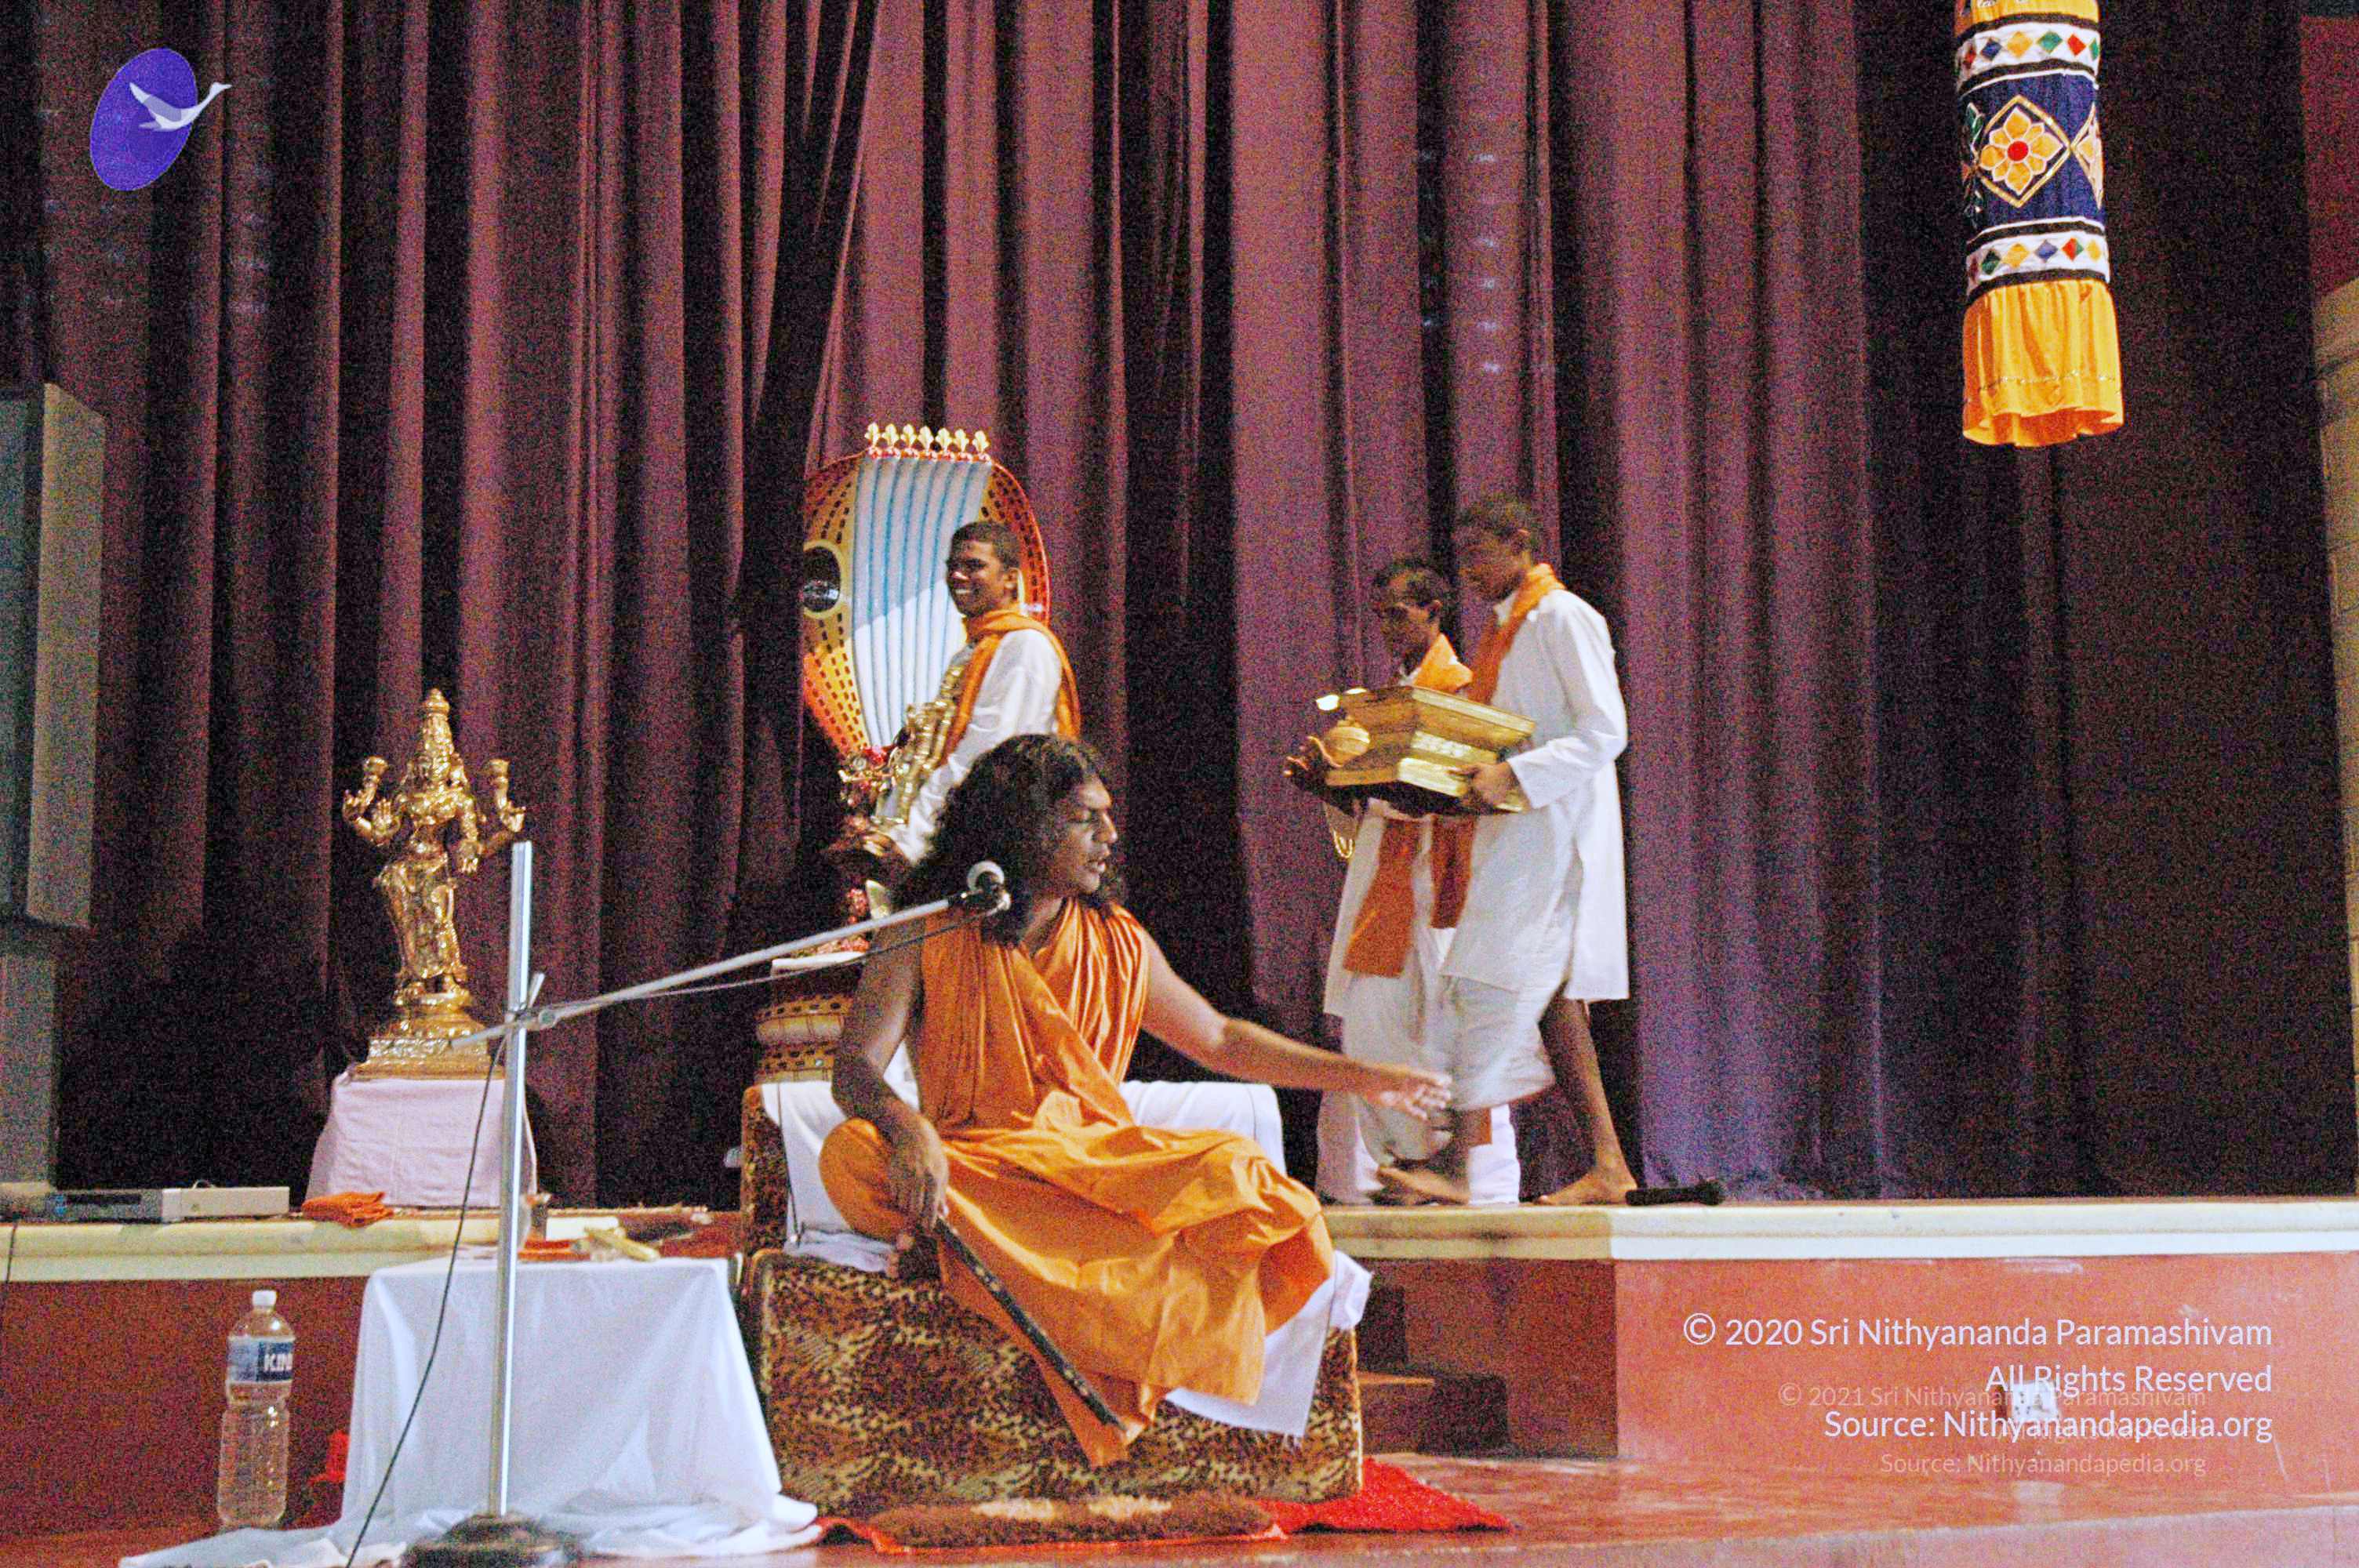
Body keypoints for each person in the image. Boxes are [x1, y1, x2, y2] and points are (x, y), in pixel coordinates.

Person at [820, 734, 1451, 1465]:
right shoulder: (926, 929)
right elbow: (855, 1067)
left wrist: (1362, 1076)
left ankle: (963, 1248)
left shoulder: (1116, 943)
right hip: (977, 1162)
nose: (1109, 836)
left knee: (1244, 1176)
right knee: (853, 1154)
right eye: (1085, 819)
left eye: (1107, 817)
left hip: (1088, 1168)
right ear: (1024, 827)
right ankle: (988, 1244)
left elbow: (1221, 1039)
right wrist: (908, 1130)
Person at [1377, 496, 1636, 1207]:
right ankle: (1605, 1164)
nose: (1466, 572)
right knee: (1538, 994)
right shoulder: (1506, 631)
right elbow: (1509, 736)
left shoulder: (1563, 618)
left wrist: (1515, 776)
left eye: (1477, 555)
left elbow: (1605, 731)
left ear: (1519, 543)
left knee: (1486, 981)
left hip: (1557, 833)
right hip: (1519, 829)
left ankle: (1461, 1163)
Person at [1287, 559, 1520, 1205]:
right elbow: (1373, 800)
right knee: (1373, 1022)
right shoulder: (1388, 697)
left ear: (1433, 613)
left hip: (1441, 877)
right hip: (1386, 875)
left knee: (1444, 1024)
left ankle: (1470, 1171)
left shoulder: (1463, 690)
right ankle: (1409, 1163)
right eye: (1380, 616)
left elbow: (1462, 792)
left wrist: (1384, 786)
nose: (1388, 628)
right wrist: (1329, 785)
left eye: (1399, 614)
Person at [855, 520, 1081, 880]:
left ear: (1010, 579)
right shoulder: (977, 648)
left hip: (997, 853)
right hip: (960, 839)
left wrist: (912, 840)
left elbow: (983, 754)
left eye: (974, 566)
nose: (958, 576)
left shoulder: (1024, 646)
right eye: (953, 566)